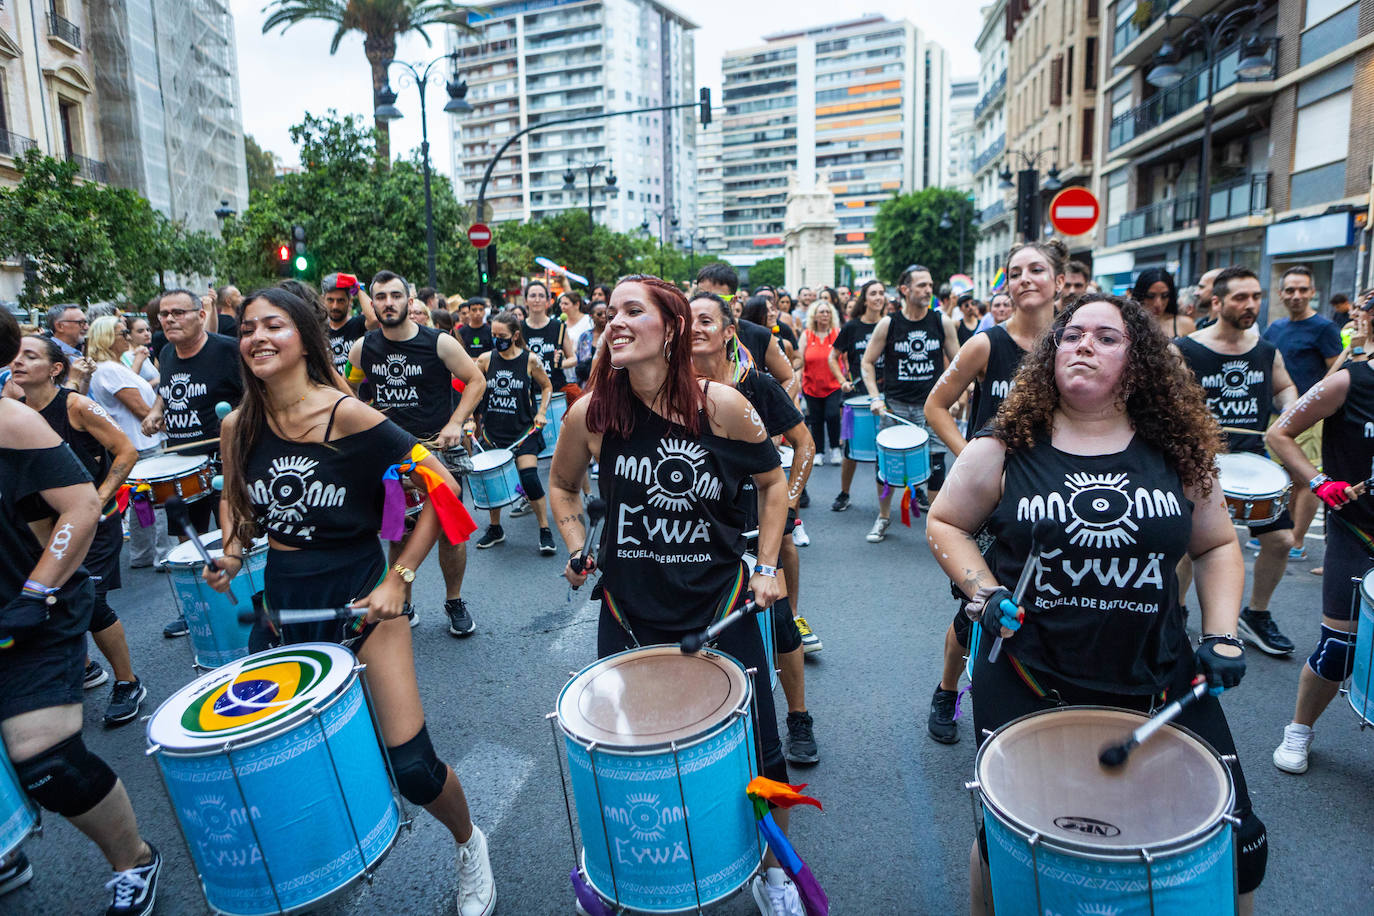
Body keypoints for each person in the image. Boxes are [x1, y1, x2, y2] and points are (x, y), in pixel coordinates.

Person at [926, 292, 1267, 914]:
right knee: (1014, 840)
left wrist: (1221, 635)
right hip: (1030, 679)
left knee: (1238, 844)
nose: (1083, 344)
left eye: (1106, 337)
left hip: (1160, 680)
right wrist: (984, 591)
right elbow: (946, 523)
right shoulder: (1003, 445)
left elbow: (1217, 544)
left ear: (1138, 364)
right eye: (1072, 334)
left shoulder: (1178, 452)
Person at [208, 286, 496, 916]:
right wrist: (231, 552)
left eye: (273, 325)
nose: (257, 336)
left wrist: (402, 578)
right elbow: (234, 497)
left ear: (305, 337)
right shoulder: (239, 425)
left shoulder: (353, 417)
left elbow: (444, 489)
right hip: (282, 607)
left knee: (414, 769)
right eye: (248, 327)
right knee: (284, 763)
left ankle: (470, 845)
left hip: (364, 603)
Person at [548, 276, 800, 915]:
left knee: (759, 755)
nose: (616, 322)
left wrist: (768, 564)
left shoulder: (723, 407)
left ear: (674, 327)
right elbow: (563, 487)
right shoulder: (593, 414)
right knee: (629, 754)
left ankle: (776, 876)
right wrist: (579, 545)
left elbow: (773, 484)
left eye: (635, 311)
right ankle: (632, 872)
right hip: (628, 616)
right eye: (611, 313)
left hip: (719, 610)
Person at [0, 307, 163, 914]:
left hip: (32, 607)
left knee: (48, 764)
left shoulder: (16, 419)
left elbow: (79, 507)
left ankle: (134, 859)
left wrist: (37, 591)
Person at [922, 239, 1066, 744]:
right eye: (1015, 272)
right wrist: (970, 459)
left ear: (1059, 282)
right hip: (990, 506)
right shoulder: (987, 343)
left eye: (1037, 269)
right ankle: (946, 689)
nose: (1025, 278)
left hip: (1054, 499)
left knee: (1047, 604)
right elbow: (936, 406)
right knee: (974, 608)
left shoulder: (1075, 344)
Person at [691, 291, 823, 764]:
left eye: (707, 321)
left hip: (754, 532)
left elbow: (804, 445)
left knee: (782, 627)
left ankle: (798, 718)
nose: (695, 328)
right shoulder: (671, 392)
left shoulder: (759, 387)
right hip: (699, 537)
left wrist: (787, 501)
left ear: (729, 332)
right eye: (687, 321)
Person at [7, 331, 147, 727]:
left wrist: (99, 500)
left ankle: (128, 682)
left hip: (92, 522)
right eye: (15, 356)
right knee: (57, 598)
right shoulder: (13, 410)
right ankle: (85, 667)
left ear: (54, 370)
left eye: (30, 357)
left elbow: (127, 450)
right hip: (40, 526)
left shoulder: (77, 406)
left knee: (91, 599)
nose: (18, 362)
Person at [349, 271, 487, 636]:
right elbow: (348, 387)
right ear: (373, 303)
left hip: (437, 453)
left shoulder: (439, 343)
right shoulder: (362, 349)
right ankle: (403, 602)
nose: (388, 303)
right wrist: (364, 416)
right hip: (391, 457)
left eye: (396, 296)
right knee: (398, 533)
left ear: (409, 303)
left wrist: (457, 422)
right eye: (381, 297)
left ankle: (454, 600)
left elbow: (476, 380)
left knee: (450, 534)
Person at [1176, 266, 1298, 658]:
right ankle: (1173, 615)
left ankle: (1256, 614)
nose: (1252, 305)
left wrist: (1291, 410)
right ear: (1217, 302)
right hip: (1198, 463)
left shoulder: (1265, 350)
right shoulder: (1186, 349)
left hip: (1253, 460)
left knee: (1281, 540)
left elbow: (1284, 388)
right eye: (1241, 298)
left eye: (1257, 297)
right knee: (1186, 545)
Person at [142, 288, 243, 637]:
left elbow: (255, 397)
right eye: (164, 314)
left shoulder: (226, 351)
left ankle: (249, 603)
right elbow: (166, 390)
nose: (170, 319)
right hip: (180, 465)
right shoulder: (167, 352)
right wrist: (157, 411)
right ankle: (197, 610)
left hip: (222, 463)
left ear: (201, 315)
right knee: (190, 544)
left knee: (236, 536)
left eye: (179, 313)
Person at [859, 264, 959, 541]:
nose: (929, 290)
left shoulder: (941, 322)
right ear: (905, 290)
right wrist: (876, 397)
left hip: (933, 408)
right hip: (896, 406)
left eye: (930, 285)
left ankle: (937, 527)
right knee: (889, 467)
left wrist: (956, 397)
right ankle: (883, 517)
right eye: (922, 286)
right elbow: (867, 362)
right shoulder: (889, 323)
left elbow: (960, 364)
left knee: (937, 464)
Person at [1264, 265, 1346, 563]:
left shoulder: (1325, 328)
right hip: (1277, 416)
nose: (1296, 295)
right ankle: (1283, 535)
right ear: (1281, 294)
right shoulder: (1275, 328)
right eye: (1290, 290)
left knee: (1307, 478)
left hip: (1310, 419)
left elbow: (1337, 372)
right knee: (1281, 479)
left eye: (1303, 290)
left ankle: (1296, 541)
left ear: (1313, 292)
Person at [87, 317, 175, 569]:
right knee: (156, 499)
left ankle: (143, 552)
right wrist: (168, 426)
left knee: (142, 501)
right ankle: (162, 553)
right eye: (122, 332)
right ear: (106, 338)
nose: (127, 336)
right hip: (141, 442)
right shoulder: (110, 369)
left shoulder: (113, 367)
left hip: (136, 441)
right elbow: (140, 409)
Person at [472, 312, 557, 555]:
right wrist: (469, 418)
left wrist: (541, 411)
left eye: (502, 336)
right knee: (491, 482)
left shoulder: (530, 360)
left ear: (515, 336)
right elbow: (473, 390)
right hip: (493, 433)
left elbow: (547, 386)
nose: (497, 340)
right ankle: (496, 528)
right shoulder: (485, 360)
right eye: (493, 336)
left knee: (529, 478)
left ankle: (544, 530)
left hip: (523, 431)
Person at [694, 264, 798, 398]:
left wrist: (773, 414)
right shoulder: (687, 334)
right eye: (701, 296)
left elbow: (790, 378)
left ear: (733, 301)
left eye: (718, 299)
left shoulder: (759, 335)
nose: (706, 304)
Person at [829, 279, 888, 511]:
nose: (878, 297)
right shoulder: (852, 327)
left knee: (889, 448)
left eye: (882, 293)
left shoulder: (890, 324)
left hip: (886, 396)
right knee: (850, 451)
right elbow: (832, 357)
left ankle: (910, 493)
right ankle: (844, 493)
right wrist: (842, 381)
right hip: (856, 398)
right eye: (873, 293)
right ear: (865, 298)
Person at [798, 299, 843, 465]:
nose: (825, 315)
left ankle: (835, 449)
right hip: (811, 386)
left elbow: (845, 358)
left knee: (832, 415)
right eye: (822, 312)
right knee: (816, 419)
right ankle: (819, 452)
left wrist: (845, 379)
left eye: (828, 312)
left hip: (833, 385)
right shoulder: (807, 335)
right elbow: (799, 359)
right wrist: (797, 380)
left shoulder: (837, 333)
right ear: (814, 316)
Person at [521, 281, 578, 402]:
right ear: (525, 300)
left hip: (556, 390)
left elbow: (573, 358)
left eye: (541, 296)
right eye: (532, 296)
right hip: (528, 392)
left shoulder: (558, 326)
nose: (537, 300)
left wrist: (560, 364)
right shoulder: (519, 328)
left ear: (547, 301)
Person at [322, 271, 379, 378]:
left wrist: (358, 288)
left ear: (350, 301)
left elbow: (374, 319)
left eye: (341, 301)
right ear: (323, 300)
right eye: (330, 300)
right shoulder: (319, 330)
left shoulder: (359, 324)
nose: (335, 306)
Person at [1132, 267, 1195, 338]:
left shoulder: (1185, 324)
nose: (1158, 304)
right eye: (1150, 296)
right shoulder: (1130, 324)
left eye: (1165, 296)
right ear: (1140, 295)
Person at [46, 304, 94, 394]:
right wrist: (73, 379)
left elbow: (81, 395)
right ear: (60, 326)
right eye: (81, 323)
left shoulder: (75, 353)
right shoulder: (49, 353)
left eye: (86, 322)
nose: (86, 327)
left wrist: (86, 378)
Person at [575, 300, 606, 386]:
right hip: (588, 383)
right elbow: (581, 364)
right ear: (591, 316)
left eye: (606, 313)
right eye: (599, 314)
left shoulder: (614, 334)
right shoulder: (585, 336)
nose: (603, 316)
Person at [121, 316, 159, 385]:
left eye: (148, 330)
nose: (147, 334)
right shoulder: (127, 356)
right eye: (140, 331)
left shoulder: (144, 351)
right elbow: (130, 386)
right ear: (128, 335)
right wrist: (156, 381)